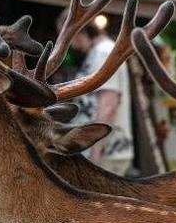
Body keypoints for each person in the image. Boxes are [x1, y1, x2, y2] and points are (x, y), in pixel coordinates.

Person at [56, 12, 134, 175]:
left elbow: (108, 106)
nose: (69, 45)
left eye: (67, 39)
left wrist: (95, 154)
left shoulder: (103, 53)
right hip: (104, 152)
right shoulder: (99, 53)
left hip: (106, 154)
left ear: (78, 31)